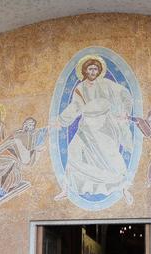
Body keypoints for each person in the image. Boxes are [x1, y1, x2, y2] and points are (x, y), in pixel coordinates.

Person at [53, 57, 134, 203]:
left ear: (99, 71)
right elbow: (75, 107)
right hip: (87, 126)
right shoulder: (80, 88)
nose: (93, 72)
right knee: (73, 150)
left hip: (104, 125)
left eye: (95, 69)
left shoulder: (106, 84)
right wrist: (61, 120)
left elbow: (124, 93)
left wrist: (125, 111)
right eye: (90, 69)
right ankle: (67, 188)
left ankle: (124, 188)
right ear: (85, 70)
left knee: (110, 155)